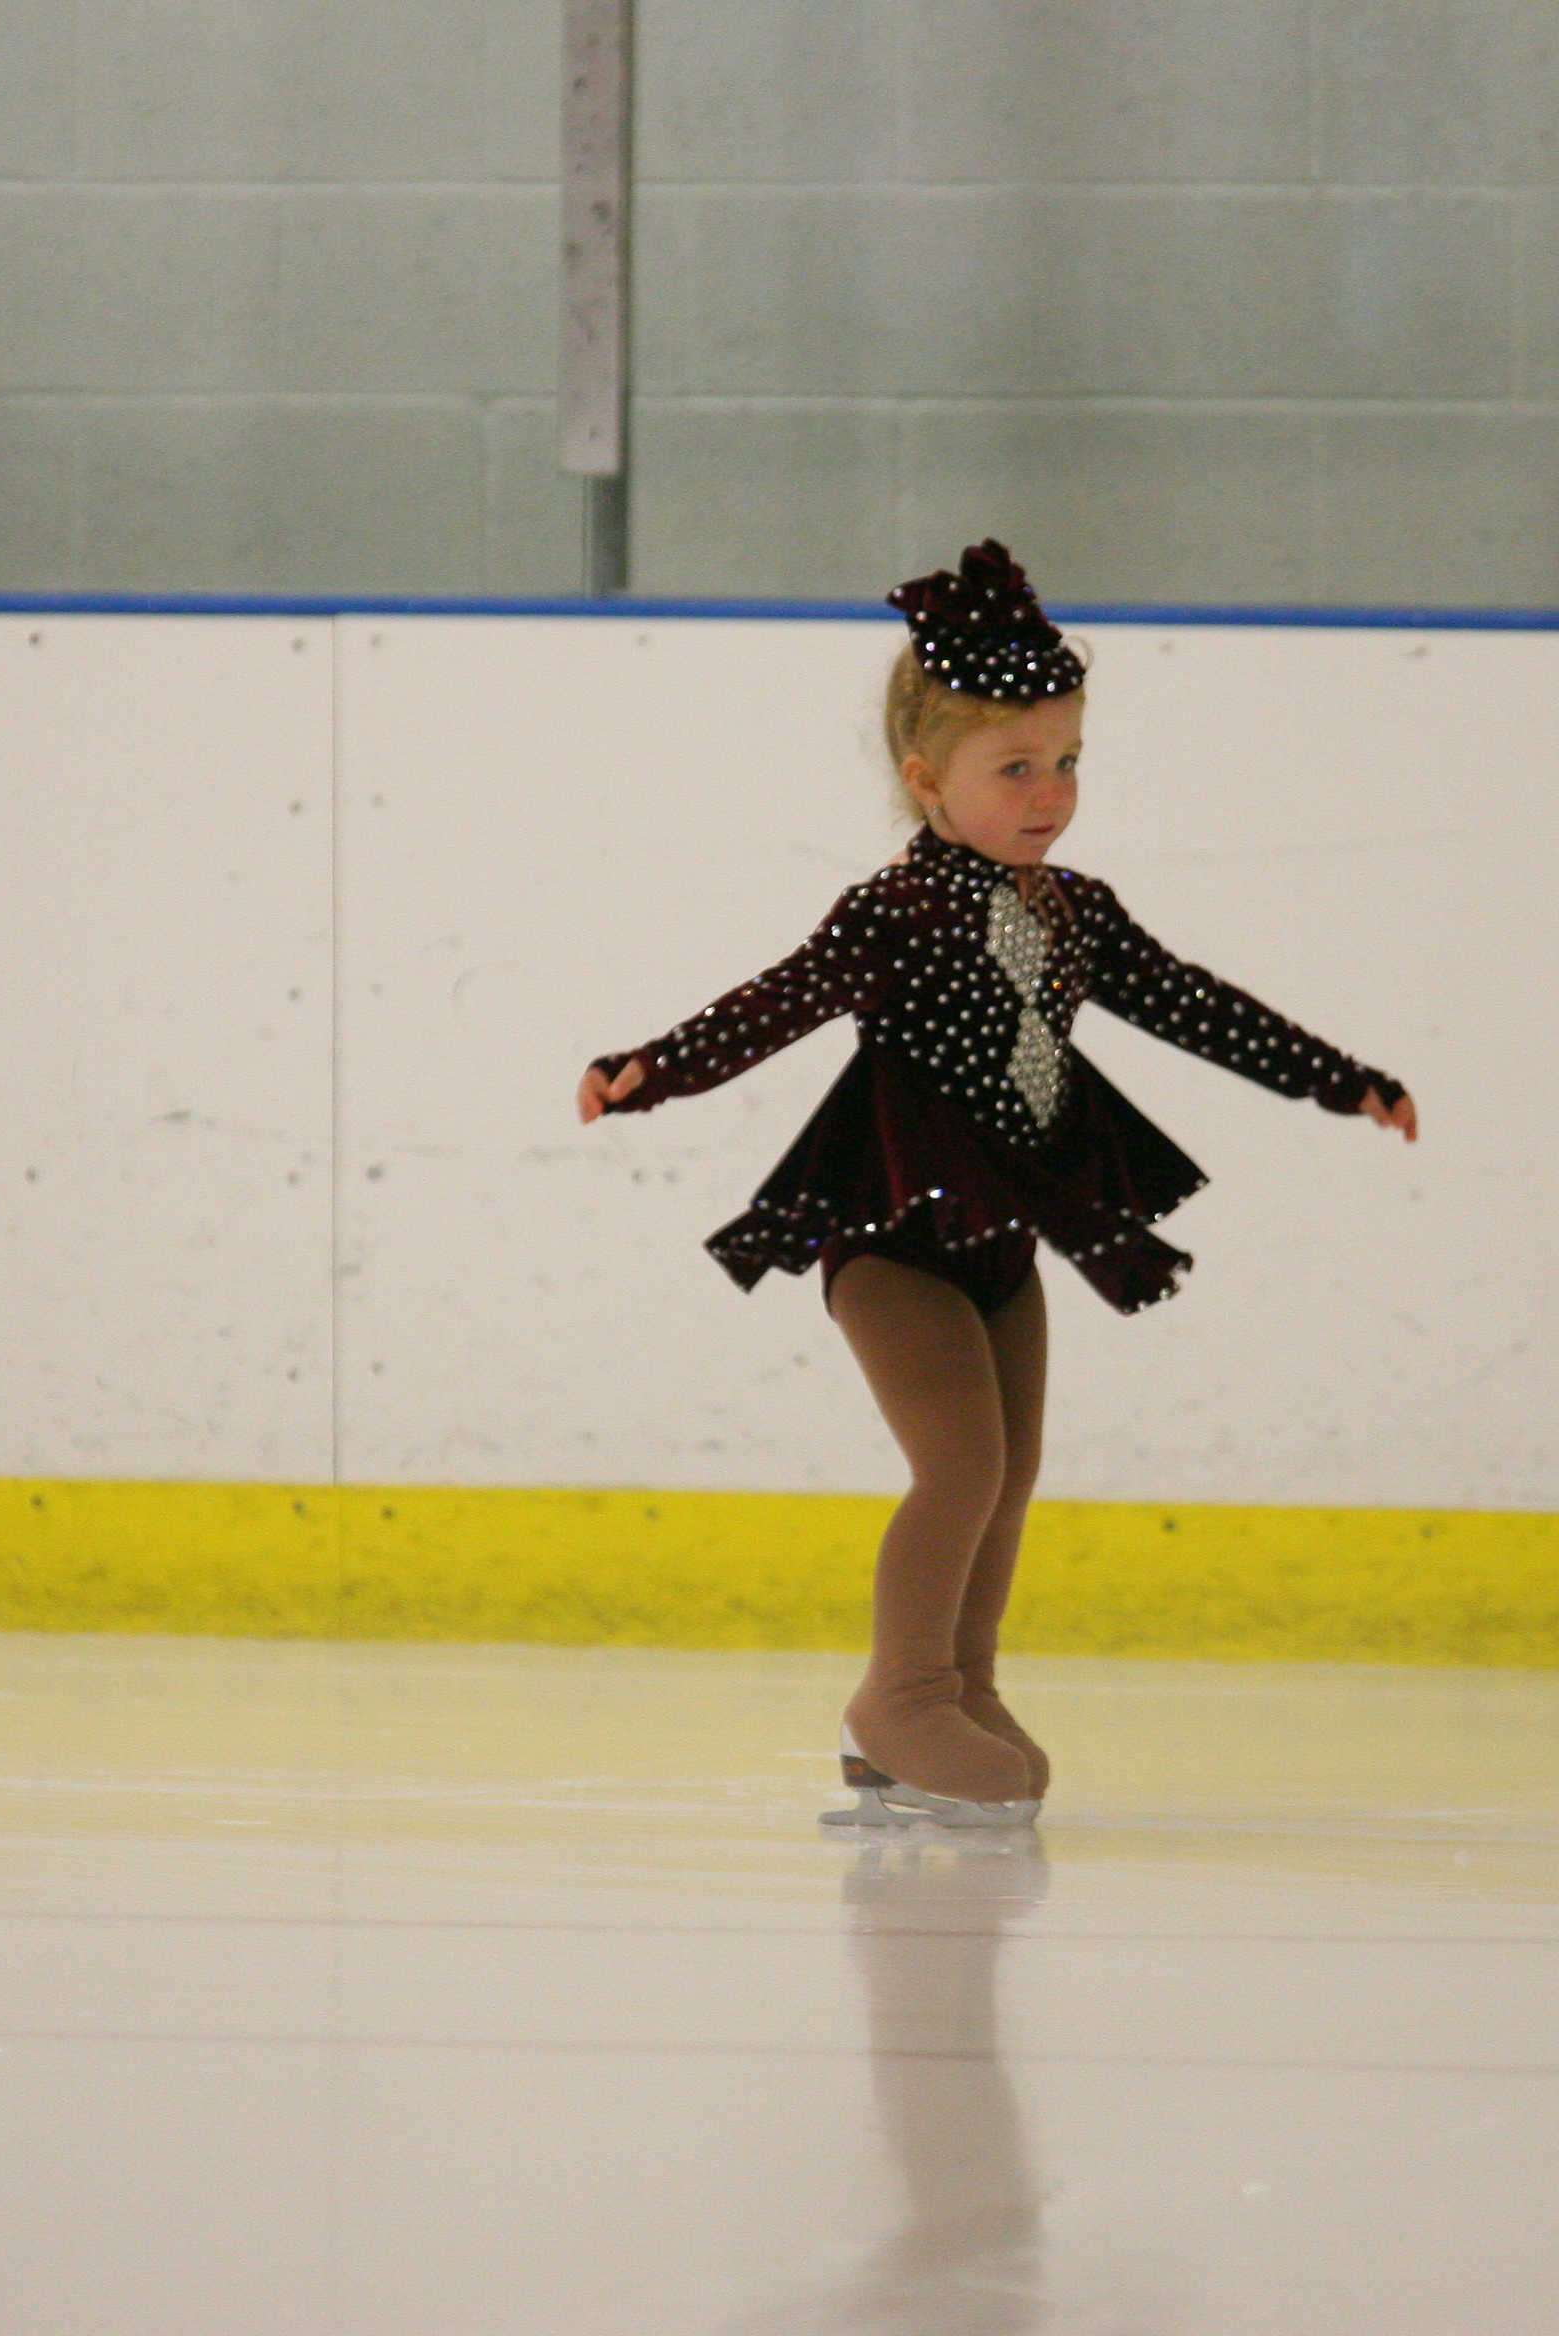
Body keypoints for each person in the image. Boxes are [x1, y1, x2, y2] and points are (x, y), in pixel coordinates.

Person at [578, 541, 1417, 1824]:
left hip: (1005, 1233)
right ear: (928, 782)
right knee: (959, 1464)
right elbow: (779, 1000)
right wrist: (652, 1067)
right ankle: (897, 1693)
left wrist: (1336, 1076)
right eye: (1015, 767)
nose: (1052, 791)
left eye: (1068, 760)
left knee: (1012, 1468)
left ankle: (960, 1685)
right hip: (888, 1234)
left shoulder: (1078, 910)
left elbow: (1192, 1005)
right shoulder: (895, 911)